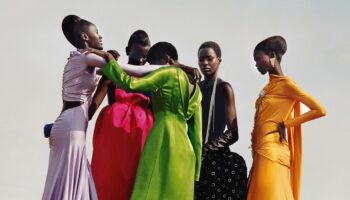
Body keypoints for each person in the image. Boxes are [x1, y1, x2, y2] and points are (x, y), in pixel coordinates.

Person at [87, 42, 202, 200]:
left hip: (162, 138)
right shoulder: (197, 89)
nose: (150, 69)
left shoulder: (166, 74)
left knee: (146, 192)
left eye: (152, 64)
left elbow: (130, 84)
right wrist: (196, 173)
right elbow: (197, 135)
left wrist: (110, 62)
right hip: (186, 152)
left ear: (165, 59)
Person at [247, 36, 326, 200]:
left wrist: (287, 124)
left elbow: (319, 109)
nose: (256, 64)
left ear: (271, 55)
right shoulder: (268, 87)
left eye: (258, 59)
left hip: (272, 150)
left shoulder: (287, 85)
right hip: (261, 151)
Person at [89, 30, 154, 200]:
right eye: (137, 55)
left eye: (145, 58)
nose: (141, 61)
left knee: (136, 183)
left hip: (141, 135)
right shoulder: (113, 72)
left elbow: (158, 110)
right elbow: (93, 105)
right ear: (127, 50)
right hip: (112, 138)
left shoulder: (152, 79)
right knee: (106, 180)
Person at [194, 41, 247, 200]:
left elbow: (233, 132)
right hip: (195, 155)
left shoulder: (224, 87)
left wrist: (208, 148)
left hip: (216, 158)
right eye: (201, 60)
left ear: (219, 60)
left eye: (209, 59)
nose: (205, 63)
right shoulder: (196, 87)